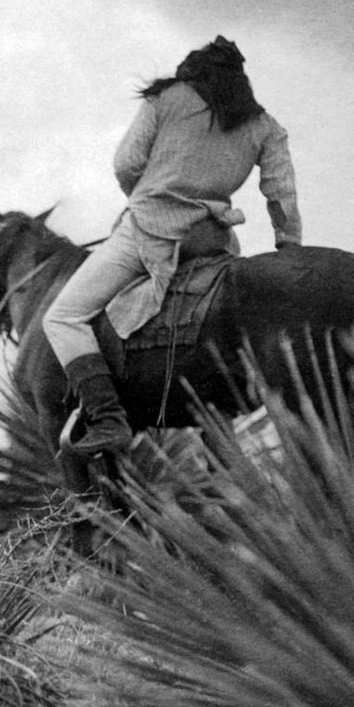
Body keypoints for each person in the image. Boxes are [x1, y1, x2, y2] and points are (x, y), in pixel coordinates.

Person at [41, 36, 302, 455]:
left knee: (63, 317)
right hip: (212, 239)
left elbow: (125, 163)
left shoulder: (165, 99)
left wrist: (148, 193)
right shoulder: (265, 126)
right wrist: (289, 247)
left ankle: (108, 419)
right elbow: (281, 191)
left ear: (193, 73)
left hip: (149, 229)